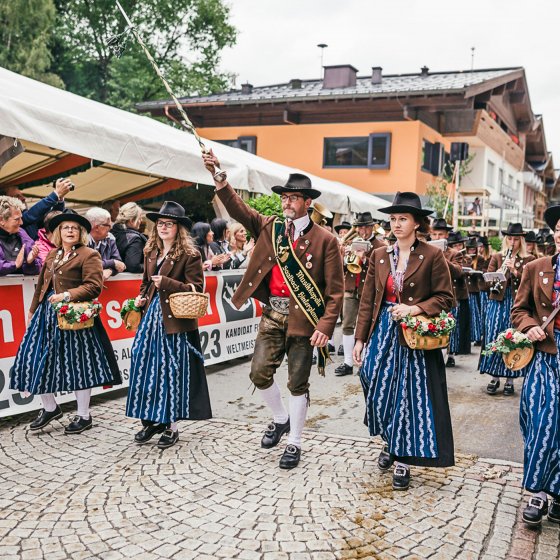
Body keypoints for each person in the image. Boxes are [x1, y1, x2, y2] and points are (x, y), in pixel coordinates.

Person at [203, 150, 343, 470]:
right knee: (259, 373)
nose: (287, 203)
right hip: (272, 313)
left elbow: (336, 291)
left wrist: (325, 326)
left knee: (298, 383)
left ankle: (294, 441)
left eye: (294, 198)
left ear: (308, 202)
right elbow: (240, 210)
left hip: (304, 320)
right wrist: (219, 175)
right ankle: (280, 419)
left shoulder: (326, 241)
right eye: (285, 197)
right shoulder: (271, 228)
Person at [353, 192, 455, 491]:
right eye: (393, 219)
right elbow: (368, 300)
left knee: (407, 395)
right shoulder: (380, 254)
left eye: (403, 219)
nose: (396, 224)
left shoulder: (433, 255)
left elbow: (445, 297)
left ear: (416, 223)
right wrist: (360, 339)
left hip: (414, 332)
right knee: (372, 379)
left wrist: (415, 308)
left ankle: (402, 459)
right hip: (384, 328)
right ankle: (389, 438)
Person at [10, 211, 121, 433]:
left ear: (80, 232)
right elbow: (42, 284)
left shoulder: (89, 254)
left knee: (79, 364)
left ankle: (83, 415)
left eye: (74, 228)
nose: (69, 231)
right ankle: (50, 408)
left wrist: (67, 295)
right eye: (65, 227)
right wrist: (32, 309)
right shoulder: (52, 254)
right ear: (58, 232)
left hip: (74, 316)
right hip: (47, 314)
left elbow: (93, 286)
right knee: (33, 358)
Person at [126, 201, 212, 449]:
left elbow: (196, 289)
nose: (163, 227)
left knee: (169, 371)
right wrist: (141, 297)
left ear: (178, 228)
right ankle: (152, 421)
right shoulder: (150, 251)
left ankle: (172, 426)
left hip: (174, 320)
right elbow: (145, 283)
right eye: (160, 223)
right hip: (150, 318)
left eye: (169, 224)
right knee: (143, 365)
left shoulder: (190, 254)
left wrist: (167, 282)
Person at [510, 204, 560, 528]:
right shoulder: (536, 267)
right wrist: (530, 327)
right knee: (541, 419)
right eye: (559, 230)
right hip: (545, 353)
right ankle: (539, 492)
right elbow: (518, 311)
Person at [479, 223, 535, 395]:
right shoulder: (497, 256)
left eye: (516, 239)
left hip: (516, 303)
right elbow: (486, 282)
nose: (512, 242)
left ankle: (510, 378)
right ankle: (494, 377)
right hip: (497, 302)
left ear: (521, 241)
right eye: (510, 238)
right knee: (495, 336)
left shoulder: (529, 259)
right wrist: (499, 272)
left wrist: (515, 272)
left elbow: (530, 283)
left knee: (513, 337)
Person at [336, 212, 384, 377]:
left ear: (372, 227)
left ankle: (363, 361)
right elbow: (342, 269)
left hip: (368, 291)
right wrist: (342, 256)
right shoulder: (350, 242)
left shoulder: (379, 246)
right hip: (350, 288)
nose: (363, 231)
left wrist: (364, 259)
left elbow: (381, 270)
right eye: (360, 227)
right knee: (347, 325)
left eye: (366, 227)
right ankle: (348, 362)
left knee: (367, 326)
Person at [430, 220, 469, 367]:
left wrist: (441, 258)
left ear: (446, 235)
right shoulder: (423, 250)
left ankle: (443, 360)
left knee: (444, 330)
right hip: (427, 297)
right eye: (434, 234)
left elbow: (458, 272)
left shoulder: (454, 254)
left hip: (446, 298)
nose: (437, 237)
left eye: (440, 234)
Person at [2, 178, 71, 240]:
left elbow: (51, 218)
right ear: (6, 201)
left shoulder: (29, 218)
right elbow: (30, 215)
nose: (23, 198)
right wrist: (56, 194)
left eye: (21, 195)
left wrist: (60, 199)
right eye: (17, 196)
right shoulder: (24, 218)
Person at [0, 195, 41, 276]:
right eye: (17, 219)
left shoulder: (22, 234)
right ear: (1, 220)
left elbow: (37, 269)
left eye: (21, 218)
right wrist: (14, 265)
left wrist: (30, 262)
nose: (21, 222)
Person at [85, 207, 125, 279]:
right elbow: (85, 265)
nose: (111, 228)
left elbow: (120, 264)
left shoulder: (110, 238)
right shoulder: (80, 240)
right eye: (108, 225)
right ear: (97, 227)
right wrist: (112, 263)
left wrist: (110, 270)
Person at [110, 202, 147, 273]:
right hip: (128, 282)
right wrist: (149, 267)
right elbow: (133, 266)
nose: (141, 221)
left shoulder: (110, 233)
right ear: (132, 221)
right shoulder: (135, 239)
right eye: (139, 218)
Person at [465, 237, 483, 345]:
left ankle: (477, 336)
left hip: (474, 289)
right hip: (466, 289)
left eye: (473, 249)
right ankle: (468, 337)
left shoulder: (479, 258)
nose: (472, 251)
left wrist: (473, 271)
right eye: (470, 249)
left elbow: (481, 272)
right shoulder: (463, 257)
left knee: (475, 314)